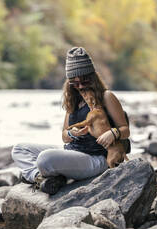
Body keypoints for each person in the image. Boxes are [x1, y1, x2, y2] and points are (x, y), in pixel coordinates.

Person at [11, 47, 130, 195]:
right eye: (74, 82)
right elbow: (64, 136)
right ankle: (40, 178)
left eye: (84, 81)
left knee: (45, 159)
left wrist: (113, 133)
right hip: (72, 152)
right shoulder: (73, 100)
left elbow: (125, 129)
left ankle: (45, 174)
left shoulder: (107, 97)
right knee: (19, 149)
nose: (80, 86)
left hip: (97, 158)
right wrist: (73, 134)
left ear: (92, 77)